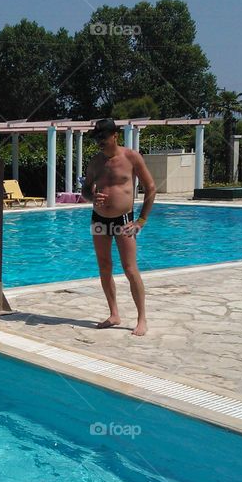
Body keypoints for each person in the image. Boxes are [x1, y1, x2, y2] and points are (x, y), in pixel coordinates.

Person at [80, 119, 157, 336]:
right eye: (97, 138)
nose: (100, 142)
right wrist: (92, 197)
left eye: (102, 137)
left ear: (115, 135)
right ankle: (114, 313)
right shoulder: (95, 162)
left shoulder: (131, 157)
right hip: (99, 220)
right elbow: (86, 190)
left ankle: (142, 318)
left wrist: (141, 220)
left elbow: (150, 188)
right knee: (104, 266)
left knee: (130, 268)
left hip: (124, 220)